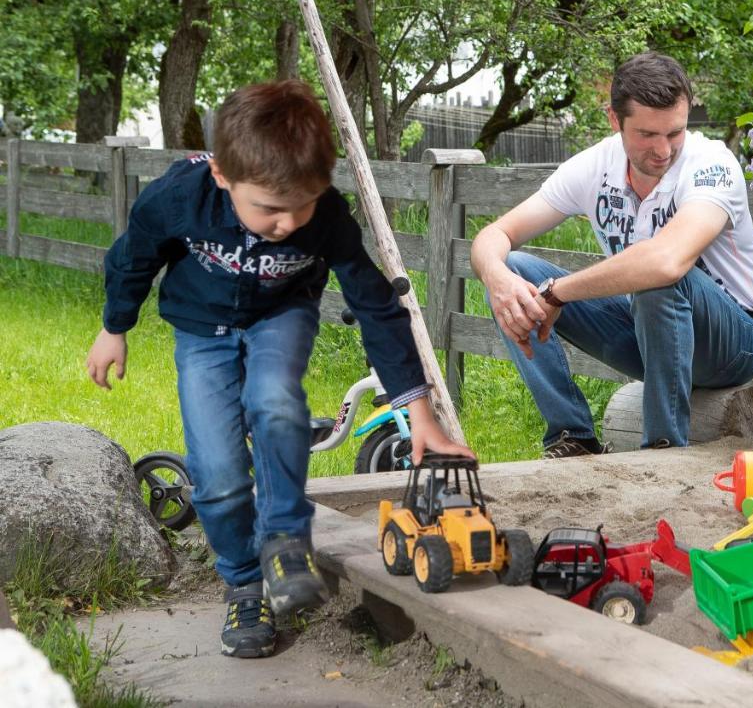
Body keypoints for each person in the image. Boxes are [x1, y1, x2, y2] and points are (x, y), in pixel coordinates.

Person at [85, 80, 471, 659]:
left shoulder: (327, 218)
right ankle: (244, 583)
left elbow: (375, 305)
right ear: (222, 175)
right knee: (215, 474)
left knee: (274, 401)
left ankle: (287, 541)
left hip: (281, 314)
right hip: (201, 329)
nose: (287, 223)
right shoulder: (179, 195)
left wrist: (419, 414)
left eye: (302, 206)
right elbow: (134, 256)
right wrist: (115, 327)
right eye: (268, 207)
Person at [471, 52, 753, 458]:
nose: (664, 150)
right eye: (647, 134)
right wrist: (496, 277)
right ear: (615, 120)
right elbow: (495, 235)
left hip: (734, 342)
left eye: (675, 132)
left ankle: (662, 452)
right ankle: (572, 435)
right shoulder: (595, 166)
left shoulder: (712, 164)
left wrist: (558, 293)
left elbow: (667, 262)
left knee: (660, 279)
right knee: (512, 270)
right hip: (648, 334)